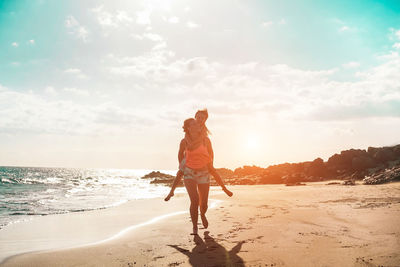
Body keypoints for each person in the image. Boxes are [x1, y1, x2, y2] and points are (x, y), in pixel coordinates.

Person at [166, 118, 231, 235]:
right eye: (193, 124)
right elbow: (180, 153)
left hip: (204, 172)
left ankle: (203, 214)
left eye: (197, 123)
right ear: (188, 128)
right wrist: (182, 164)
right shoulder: (184, 141)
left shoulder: (206, 140)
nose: (197, 125)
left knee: (204, 203)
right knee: (194, 200)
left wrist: (210, 163)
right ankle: (195, 226)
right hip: (189, 172)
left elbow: (211, 153)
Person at [165, 110, 232, 202]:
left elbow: (209, 148)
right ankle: (171, 191)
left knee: (212, 170)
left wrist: (211, 161)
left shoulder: (203, 130)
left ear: (205, 120)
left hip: (202, 155)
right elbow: (185, 141)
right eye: (198, 117)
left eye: (202, 118)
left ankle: (224, 188)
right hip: (189, 155)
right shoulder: (191, 125)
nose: (200, 119)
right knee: (181, 171)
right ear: (195, 117)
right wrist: (181, 162)